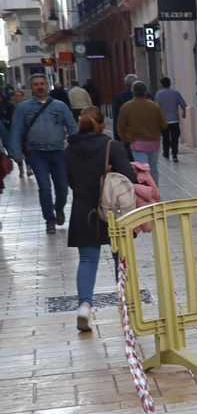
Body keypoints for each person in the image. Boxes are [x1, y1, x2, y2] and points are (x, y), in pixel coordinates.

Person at [65, 108, 137, 333]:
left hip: (84, 211)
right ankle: (126, 307)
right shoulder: (112, 146)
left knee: (87, 259)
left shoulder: (70, 149)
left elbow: (71, 182)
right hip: (114, 212)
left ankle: (84, 306)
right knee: (120, 257)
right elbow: (129, 179)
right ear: (102, 125)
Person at [8, 74, 77, 232]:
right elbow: (16, 130)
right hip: (36, 153)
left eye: (42, 84)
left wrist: (77, 149)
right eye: (36, 84)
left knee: (63, 187)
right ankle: (49, 220)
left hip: (58, 151)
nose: (39, 87)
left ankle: (59, 208)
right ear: (31, 88)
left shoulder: (60, 106)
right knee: (44, 187)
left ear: (48, 86)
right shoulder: (24, 108)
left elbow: (73, 128)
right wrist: (16, 152)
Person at [116, 81, 166, 187]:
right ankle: (154, 190)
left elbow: (120, 126)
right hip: (153, 142)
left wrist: (124, 138)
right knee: (153, 169)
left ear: (132, 91)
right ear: (145, 91)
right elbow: (164, 124)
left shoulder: (126, 107)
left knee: (142, 170)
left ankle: (146, 191)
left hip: (136, 142)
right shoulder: (154, 106)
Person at [154, 77, 187, 160]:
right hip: (174, 119)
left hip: (163, 120)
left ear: (162, 84)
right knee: (175, 137)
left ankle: (166, 153)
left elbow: (156, 107)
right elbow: (183, 104)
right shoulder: (175, 93)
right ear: (170, 83)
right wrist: (184, 113)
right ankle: (175, 154)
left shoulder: (159, 94)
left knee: (165, 137)